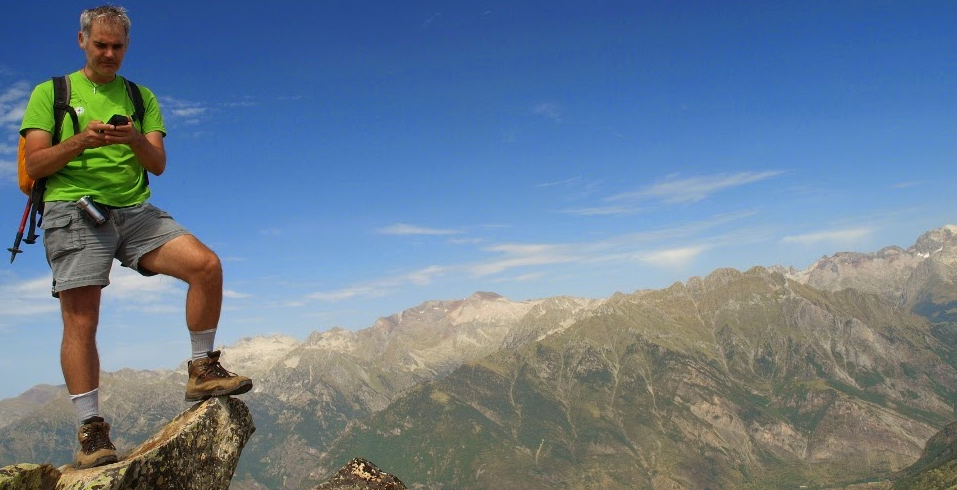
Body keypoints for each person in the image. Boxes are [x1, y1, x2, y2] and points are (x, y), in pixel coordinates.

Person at [19, 6, 252, 470]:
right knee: (82, 319)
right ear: (82, 40)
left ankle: (202, 368)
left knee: (206, 265)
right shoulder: (51, 93)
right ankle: (91, 430)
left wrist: (133, 140)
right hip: (74, 210)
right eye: (101, 44)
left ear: (126, 47)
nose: (109, 53)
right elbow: (36, 164)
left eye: (117, 46)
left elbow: (158, 164)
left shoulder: (141, 97)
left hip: (135, 212)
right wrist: (81, 141)